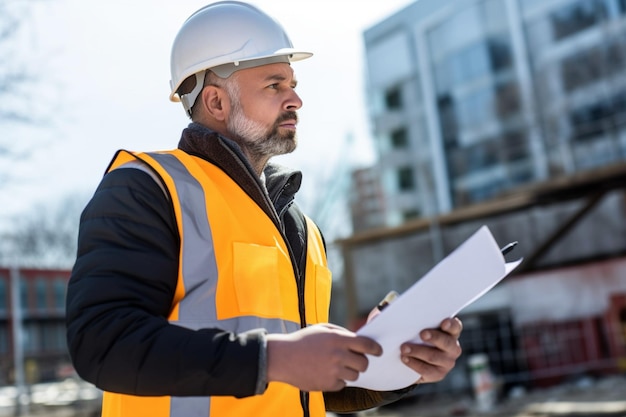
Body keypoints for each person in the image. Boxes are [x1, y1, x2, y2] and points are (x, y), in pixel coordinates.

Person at [65, 2, 463, 417]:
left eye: (293, 83)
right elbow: (103, 343)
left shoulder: (301, 228)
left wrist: (397, 365)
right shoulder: (146, 188)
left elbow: (306, 385)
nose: (296, 99)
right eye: (275, 85)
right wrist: (276, 358)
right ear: (216, 102)